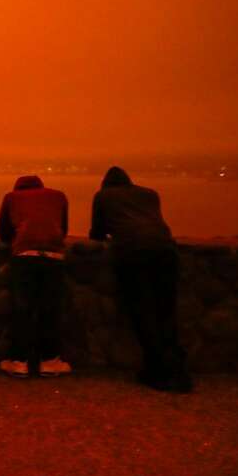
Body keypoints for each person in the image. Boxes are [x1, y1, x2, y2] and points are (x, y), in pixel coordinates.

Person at [89, 166, 192, 392]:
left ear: (106, 183)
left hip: (132, 253)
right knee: (166, 311)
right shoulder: (150, 194)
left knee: (142, 310)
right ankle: (178, 369)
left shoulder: (103, 196)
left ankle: (157, 369)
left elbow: (96, 233)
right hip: (165, 250)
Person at [0, 175, 71, 378]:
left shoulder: (11, 197)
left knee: (22, 308)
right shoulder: (59, 196)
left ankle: (19, 361)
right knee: (51, 308)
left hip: (25, 256)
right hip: (54, 256)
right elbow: (63, 228)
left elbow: (3, 231)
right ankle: (50, 360)